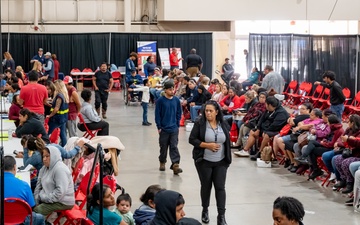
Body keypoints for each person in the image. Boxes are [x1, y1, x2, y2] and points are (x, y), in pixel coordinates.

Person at [189, 100, 231, 225]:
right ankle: (205, 210)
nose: (208, 113)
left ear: (217, 112)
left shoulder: (223, 123)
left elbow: (226, 141)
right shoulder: (200, 123)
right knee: (206, 186)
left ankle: (221, 216)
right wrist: (207, 145)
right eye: (206, 111)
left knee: (220, 187)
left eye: (211, 111)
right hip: (204, 161)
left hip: (221, 161)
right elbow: (192, 139)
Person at [3, 155, 45, 225]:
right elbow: (32, 207)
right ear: (14, 167)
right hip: (20, 221)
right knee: (40, 218)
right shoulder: (24, 185)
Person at [34, 146, 75, 216]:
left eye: (47, 156)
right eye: (43, 156)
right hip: (48, 196)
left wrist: (43, 198)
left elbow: (59, 193)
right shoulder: (44, 168)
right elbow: (38, 185)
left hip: (63, 201)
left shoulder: (60, 169)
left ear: (54, 155)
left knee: (37, 211)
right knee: (30, 202)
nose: (44, 159)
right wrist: (36, 199)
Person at [155, 81, 183, 175]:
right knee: (163, 147)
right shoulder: (160, 101)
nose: (172, 91)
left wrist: (177, 124)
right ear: (166, 90)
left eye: (173, 89)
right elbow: (157, 114)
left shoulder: (176, 100)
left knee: (174, 146)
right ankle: (162, 161)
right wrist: (159, 126)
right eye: (170, 89)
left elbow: (179, 112)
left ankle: (175, 165)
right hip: (164, 128)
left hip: (174, 128)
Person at [47, 80, 69, 147]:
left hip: (56, 119)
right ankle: (64, 148)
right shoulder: (65, 95)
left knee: (48, 133)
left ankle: (46, 147)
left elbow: (56, 109)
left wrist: (50, 115)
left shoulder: (59, 96)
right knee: (63, 135)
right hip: (64, 118)